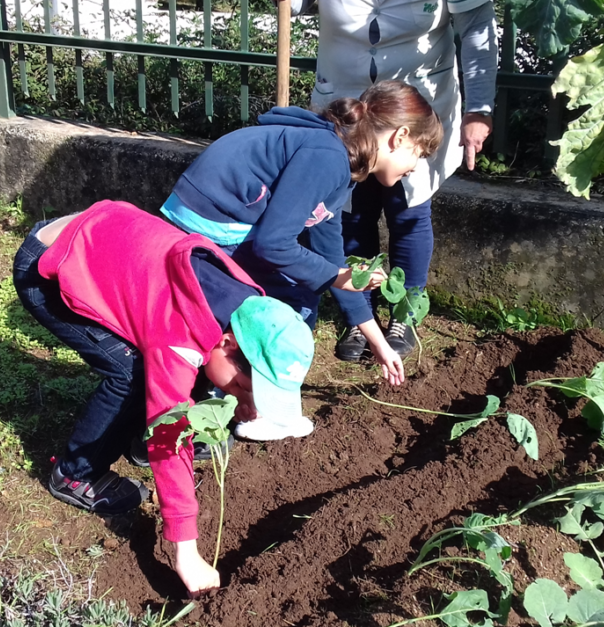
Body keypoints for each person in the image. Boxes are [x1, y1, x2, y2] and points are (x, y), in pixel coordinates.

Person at [12, 199, 316, 598]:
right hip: (48, 263)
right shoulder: (178, 335)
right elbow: (168, 437)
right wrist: (185, 553)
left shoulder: (249, 306)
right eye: (244, 387)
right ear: (227, 343)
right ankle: (75, 474)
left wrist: (244, 397)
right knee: (133, 375)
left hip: (100, 239)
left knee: (167, 374)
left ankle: (127, 439)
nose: (242, 397)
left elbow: (213, 368)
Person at [160, 81, 443, 429]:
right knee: (292, 305)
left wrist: (377, 341)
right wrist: (334, 276)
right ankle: (225, 395)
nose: (415, 166)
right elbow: (273, 245)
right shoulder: (328, 157)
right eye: (419, 152)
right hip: (209, 227)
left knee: (300, 294)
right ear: (400, 136)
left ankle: (236, 391)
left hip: (219, 222)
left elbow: (330, 257)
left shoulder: (343, 161)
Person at [288, 0, 500, 361]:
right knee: (351, 214)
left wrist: (479, 108)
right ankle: (359, 312)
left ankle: (404, 312)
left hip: (414, 112)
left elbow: (478, 26)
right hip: (345, 106)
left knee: (408, 212)